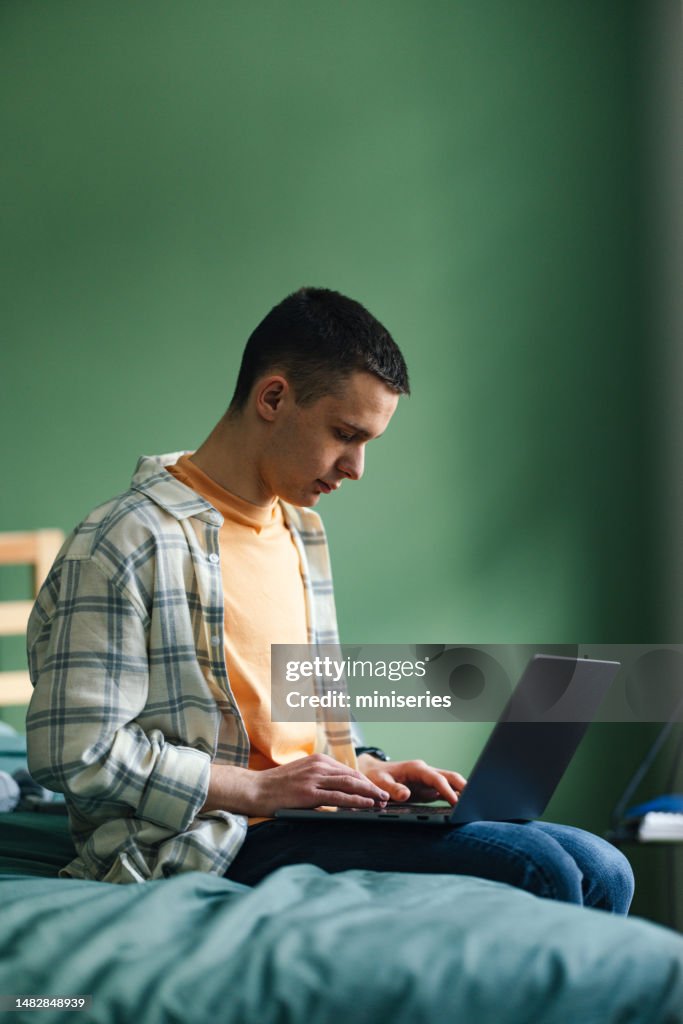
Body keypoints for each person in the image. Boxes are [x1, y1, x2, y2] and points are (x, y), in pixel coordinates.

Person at [26, 287, 634, 911]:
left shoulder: (300, 530)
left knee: (606, 867)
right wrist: (260, 790)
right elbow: (74, 752)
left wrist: (363, 767)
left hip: (309, 819)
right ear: (273, 397)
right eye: (345, 434)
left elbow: (295, 725)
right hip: (212, 839)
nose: (357, 467)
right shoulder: (125, 540)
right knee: (542, 872)